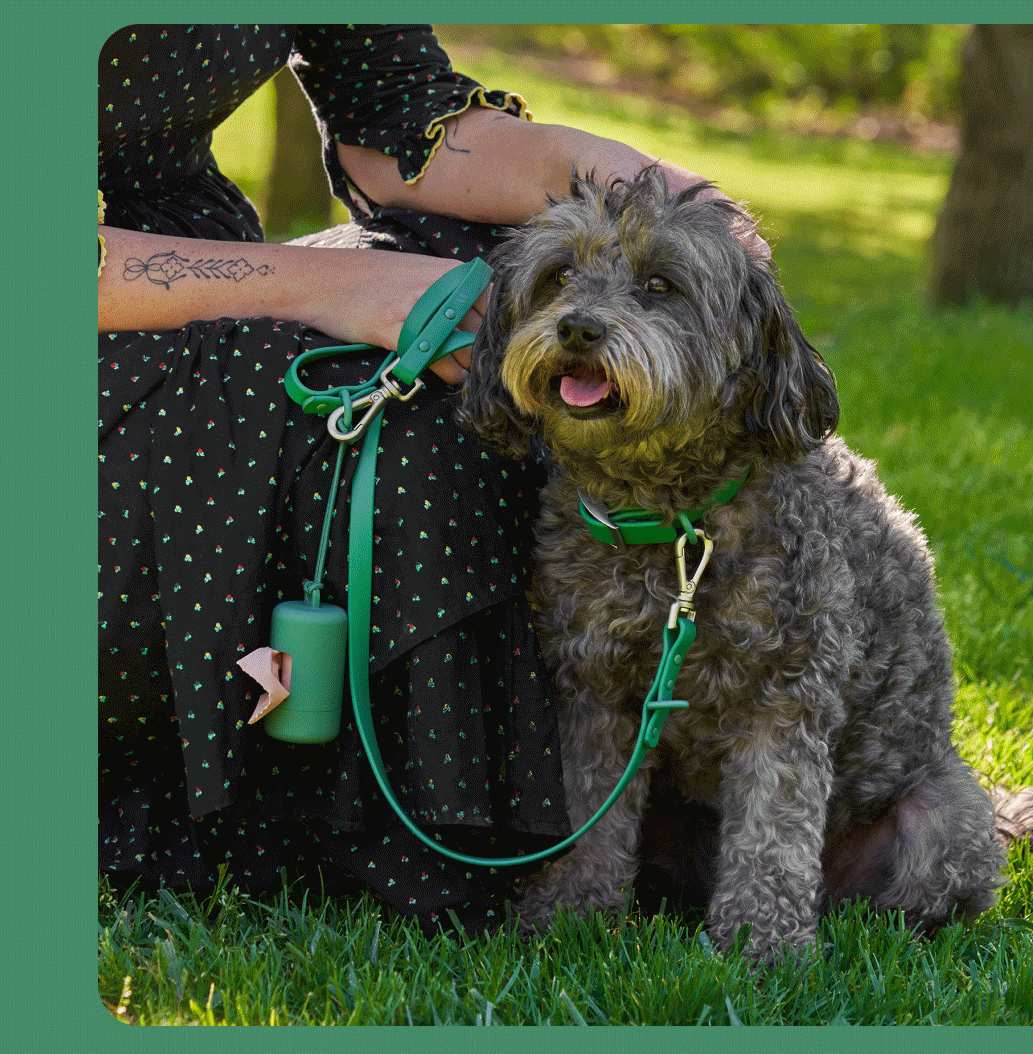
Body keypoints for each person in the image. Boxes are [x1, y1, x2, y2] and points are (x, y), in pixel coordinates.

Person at [99, 24, 764, 935]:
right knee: (385, 356)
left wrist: (646, 181)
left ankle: (509, 817)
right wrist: (330, 288)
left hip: (182, 249)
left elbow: (399, 117)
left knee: (494, 300)